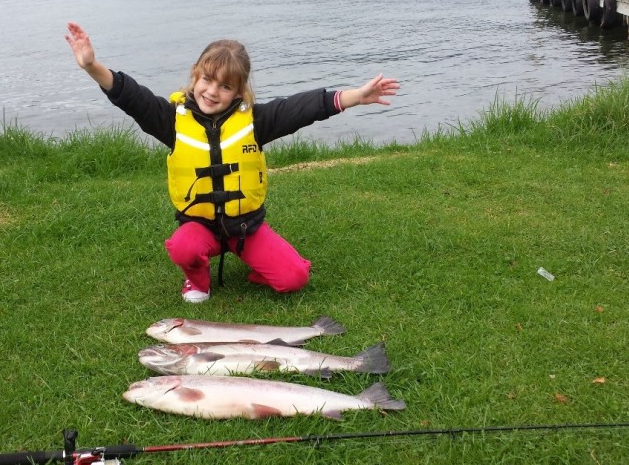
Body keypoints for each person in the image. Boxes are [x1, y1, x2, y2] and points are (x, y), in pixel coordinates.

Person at [65, 22, 399, 303]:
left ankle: (259, 266)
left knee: (295, 278)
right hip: (199, 228)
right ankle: (197, 279)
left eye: (225, 86)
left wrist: (356, 96)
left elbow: (303, 108)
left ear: (238, 93)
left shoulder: (255, 121)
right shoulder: (171, 121)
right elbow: (131, 97)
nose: (212, 91)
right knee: (183, 247)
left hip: (245, 230)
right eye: (207, 80)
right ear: (195, 77)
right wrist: (92, 66)